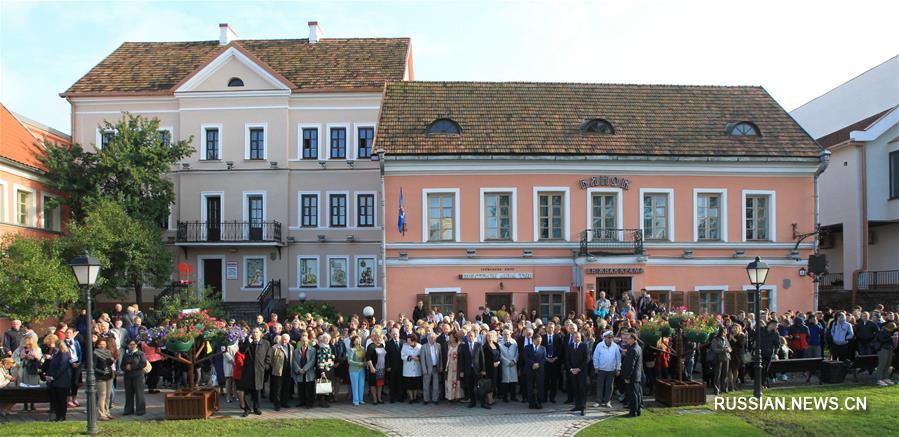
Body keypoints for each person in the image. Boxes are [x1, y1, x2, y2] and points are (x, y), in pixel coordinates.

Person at [239, 327, 270, 415]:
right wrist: (247, 341)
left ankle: (257, 408)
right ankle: (247, 409)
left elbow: (268, 356)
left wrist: (265, 367)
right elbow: (242, 351)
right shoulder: (248, 342)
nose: (255, 334)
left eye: (256, 332)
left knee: (257, 391)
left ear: (260, 333)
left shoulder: (266, 343)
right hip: (248, 371)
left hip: (259, 370)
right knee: (247, 391)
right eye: (253, 332)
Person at [13, 332, 42, 411]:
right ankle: (25, 405)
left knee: (33, 387)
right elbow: (16, 357)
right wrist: (22, 358)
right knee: (24, 386)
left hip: (33, 370)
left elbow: (40, 359)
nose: (27, 345)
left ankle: (32, 404)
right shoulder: (21, 349)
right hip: (24, 369)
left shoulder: (37, 349)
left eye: (29, 343)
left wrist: (34, 357)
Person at [592, 330, 621, 408]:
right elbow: (595, 357)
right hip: (601, 369)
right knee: (600, 386)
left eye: (611, 337)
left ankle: (607, 401)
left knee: (609, 386)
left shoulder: (615, 346)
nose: (610, 339)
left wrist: (618, 368)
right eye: (609, 337)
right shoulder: (599, 345)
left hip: (611, 369)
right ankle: (598, 401)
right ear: (604, 338)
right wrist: (596, 367)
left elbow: (618, 358)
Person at [46, 338, 72, 422]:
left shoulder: (63, 354)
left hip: (62, 381)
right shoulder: (56, 354)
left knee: (61, 399)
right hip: (55, 381)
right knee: (56, 399)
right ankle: (57, 415)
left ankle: (62, 416)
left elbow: (62, 367)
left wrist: (54, 376)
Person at [121, 339, 147, 416]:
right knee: (128, 394)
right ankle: (128, 410)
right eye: (130, 344)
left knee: (139, 394)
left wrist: (132, 367)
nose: (132, 346)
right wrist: (126, 368)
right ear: (128, 345)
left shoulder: (140, 354)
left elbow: (143, 364)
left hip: (138, 376)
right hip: (128, 376)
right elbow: (121, 366)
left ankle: (140, 410)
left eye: (133, 344)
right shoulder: (126, 354)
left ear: (136, 345)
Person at [620, 332, 643, 417]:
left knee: (633, 395)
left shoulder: (633, 349)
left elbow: (631, 365)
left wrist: (627, 377)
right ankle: (637, 410)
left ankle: (633, 412)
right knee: (636, 394)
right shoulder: (637, 347)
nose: (627, 340)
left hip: (632, 376)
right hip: (636, 376)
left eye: (629, 339)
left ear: (633, 339)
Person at [566, 332, 589, 416]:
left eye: (578, 337)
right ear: (573, 338)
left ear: (580, 338)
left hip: (581, 372)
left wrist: (579, 369)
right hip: (573, 372)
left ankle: (583, 407)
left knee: (582, 389)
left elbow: (586, 359)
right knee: (575, 389)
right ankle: (577, 406)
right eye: (575, 337)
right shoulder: (570, 346)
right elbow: (567, 359)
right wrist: (571, 369)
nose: (577, 339)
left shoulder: (584, 346)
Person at [269, 333, 293, 411]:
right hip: (278, 371)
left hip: (288, 371)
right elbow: (271, 359)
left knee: (286, 388)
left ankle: (284, 402)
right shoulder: (274, 347)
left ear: (288, 340)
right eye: (283, 339)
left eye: (286, 339)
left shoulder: (291, 347)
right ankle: (277, 404)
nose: (284, 341)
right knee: (277, 389)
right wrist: (275, 367)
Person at [292, 331, 316, 408]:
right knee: (301, 388)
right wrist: (299, 370)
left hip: (309, 372)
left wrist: (304, 369)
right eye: (303, 341)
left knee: (309, 389)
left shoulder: (313, 350)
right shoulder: (296, 351)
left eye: (306, 341)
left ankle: (310, 403)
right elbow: (294, 361)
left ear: (308, 341)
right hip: (300, 372)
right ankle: (302, 402)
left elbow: (312, 361)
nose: (304, 342)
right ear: (300, 342)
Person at [92, 338, 115, 421]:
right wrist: (102, 372)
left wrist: (112, 361)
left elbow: (109, 363)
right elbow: (93, 367)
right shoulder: (95, 353)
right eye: (101, 344)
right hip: (100, 377)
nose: (103, 346)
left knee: (108, 396)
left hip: (109, 376)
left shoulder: (107, 352)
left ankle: (107, 412)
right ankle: (101, 414)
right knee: (102, 395)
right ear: (98, 345)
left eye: (104, 344)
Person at [420, 332, 442, 405]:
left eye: (434, 338)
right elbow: (422, 359)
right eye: (432, 338)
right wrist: (424, 369)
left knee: (436, 385)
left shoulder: (438, 345)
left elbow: (440, 357)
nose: (433, 339)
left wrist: (441, 366)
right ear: (428, 339)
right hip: (427, 368)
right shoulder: (424, 347)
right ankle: (426, 399)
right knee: (426, 384)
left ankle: (435, 399)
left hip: (436, 368)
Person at [525, 332, 546, 409]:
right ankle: (531, 402)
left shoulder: (543, 348)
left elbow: (544, 359)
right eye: (538, 340)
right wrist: (532, 364)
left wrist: (538, 364)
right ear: (533, 340)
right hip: (530, 370)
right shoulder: (527, 347)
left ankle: (539, 402)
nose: (539, 342)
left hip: (539, 371)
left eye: (540, 341)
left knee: (540, 387)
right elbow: (526, 358)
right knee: (530, 387)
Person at [365, 331, 387, 404]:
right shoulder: (371, 346)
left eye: (381, 338)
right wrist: (371, 367)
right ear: (375, 338)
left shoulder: (382, 346)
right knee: (373, 384)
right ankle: (374, 399)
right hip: (374, 368)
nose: (380, 339)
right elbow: (368, 358)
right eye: (378, 338)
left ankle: (379, 398)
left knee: (380, 384)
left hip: (381, 368)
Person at [544, 323, 562, 403]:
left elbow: (560, 349)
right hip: (545, 362)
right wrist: (546, 358)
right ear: (546, 328)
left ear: (554, 328)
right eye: (549, 327)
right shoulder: (542, 337)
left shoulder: (558, 337)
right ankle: (544, 397)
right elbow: (541, 348)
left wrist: (556, 357)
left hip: (555, 362)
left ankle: (552, 397)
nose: (550, 329)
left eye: (552, 328)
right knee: (545, 381)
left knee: (554, 381)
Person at [709, 327, 731, 395]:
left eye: (726, 331)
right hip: (718, 358)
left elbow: (729, 347)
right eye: (724, 331)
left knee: (725, 374)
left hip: (726, 358)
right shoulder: (715, 339)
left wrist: (729, 349)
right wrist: (723, 350)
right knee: (717, 375)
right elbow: (714, 349)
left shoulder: (725, 338)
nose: (726, 333)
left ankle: (724, 388)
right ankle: (716, 390)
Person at [498, 329, 519, 402]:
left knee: (513, 381)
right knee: (505, 381)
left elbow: (517, 352)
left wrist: (514, 360)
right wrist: (507, 362)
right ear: (502, 335)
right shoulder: (499, 343)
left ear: (510, 334)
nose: (506, 336)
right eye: (505, 334)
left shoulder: (514, 342)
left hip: (513, 364)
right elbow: (500, 355)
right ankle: (505, 397)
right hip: (505, 364)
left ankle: (513, 396)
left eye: (508, 334)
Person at [401, 334, 422, 403]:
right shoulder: (404, 346)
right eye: (407, 340)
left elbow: (422, 355)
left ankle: (415, 398)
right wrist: (411, 357)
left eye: (409, 340)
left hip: (416, 368)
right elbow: (402, 356)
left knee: (415, 385)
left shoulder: (419, 346)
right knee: (409, 385)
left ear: (414, 341)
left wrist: (418, 358)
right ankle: (411, 398)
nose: (408, 342)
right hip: (408, 368)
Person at [315, 333, 335, 408]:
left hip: (329, 369)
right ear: (323, 340)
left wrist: (332, 357)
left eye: (328, 339)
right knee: (323, 385)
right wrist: (322, 371)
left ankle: (326, 400)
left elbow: (330, 358)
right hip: (324, 369)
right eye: (325, 339)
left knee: (327, 385)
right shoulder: (322, 348)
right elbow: (320, 360)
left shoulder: (328, 347)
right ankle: (322, 402)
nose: (327, 340)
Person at [385, 328, 404, 403]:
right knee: (392, 382)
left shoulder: (403, 342)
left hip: (401, 366)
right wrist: (388, 366)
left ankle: (400, 396)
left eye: (396, 333)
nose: (395, 335)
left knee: (400, 382)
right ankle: (392, 397)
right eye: (393, 334)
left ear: (399, 334)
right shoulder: (388, 343)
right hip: (392, 366)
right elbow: (387, 356)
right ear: (391, 334)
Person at [874, 322, 896, 386]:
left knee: (888, 364)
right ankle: (879, 379)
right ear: (889, 327)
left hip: (889, 349)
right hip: (883, 349)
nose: (893, 330)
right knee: (882, 364)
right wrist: (891, 337)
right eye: (892, 329)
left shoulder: (889, 332)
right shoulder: (882, 331)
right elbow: (881, 340)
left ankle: (885, 378)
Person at [445, 332, 464, 403]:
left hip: (457, 367)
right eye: (449, 337)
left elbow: (462, 357)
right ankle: (450, 397)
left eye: (451, 337)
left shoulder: (460, 345)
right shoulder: (447, 345)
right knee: (449, 382)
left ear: (455, 338)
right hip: (449, 367)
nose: (449, 338)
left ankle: (457, 397)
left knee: (457, 382)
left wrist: (461, 369)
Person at [347, 335, 366, 406]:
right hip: (353, 369)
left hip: (362, 369)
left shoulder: (363, 349)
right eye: (355, 340)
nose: (357, 341)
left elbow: (365, 358)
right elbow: (349, 361)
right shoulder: (351, 349)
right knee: (355, 385)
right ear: (353, 342)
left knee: (361, 384)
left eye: (358, 340)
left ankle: (361, 399)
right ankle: (355, 400)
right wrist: (359, 363)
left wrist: (365, 362)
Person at [483, 331, 501, 406]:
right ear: (486, 337)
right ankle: (489, 400)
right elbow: (484, 359)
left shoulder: (496, 345)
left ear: (494, 337)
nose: (490, 337)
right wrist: (492, 364)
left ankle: (492, 398)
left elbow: (500, 354)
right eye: (488, 336)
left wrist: (498, 362)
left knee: (494, 383)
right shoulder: (485, 347)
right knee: (489, 383)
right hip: (489, 368)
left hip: (497, 367)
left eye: (491, 336)